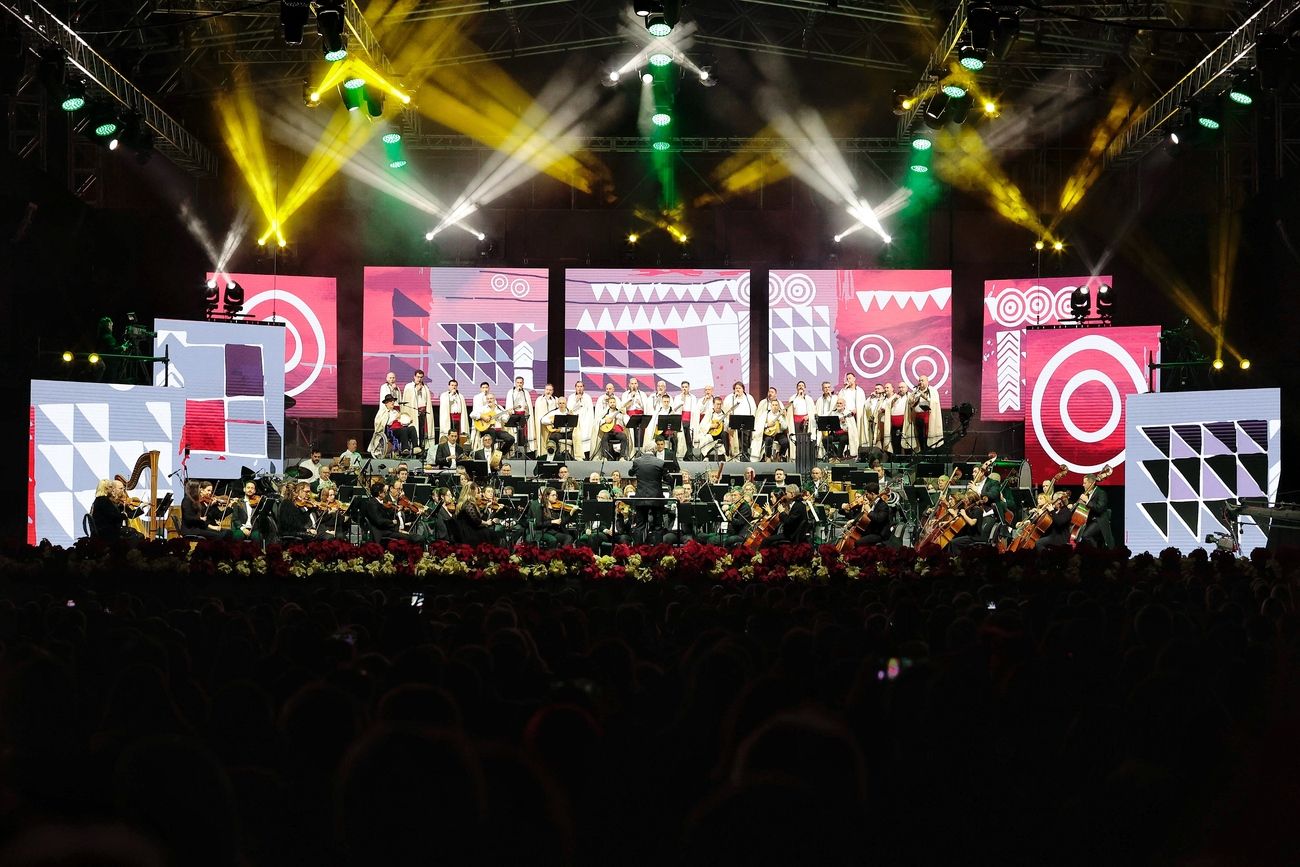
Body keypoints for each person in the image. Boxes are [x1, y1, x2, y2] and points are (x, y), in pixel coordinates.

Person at [1076, 473, 1113, 548]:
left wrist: (1087, 501)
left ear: (1091, 483)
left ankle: (1095, 553)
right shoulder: (1087, 494)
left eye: (1085, 483)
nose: (1083, 485)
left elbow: (1099, 508)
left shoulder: (1101, 493)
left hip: (1099, 520)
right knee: (1078, 537)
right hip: (1089, 520)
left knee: (1085, 536)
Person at [909, 374, 943, 454]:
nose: (920, 382)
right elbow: (910, 403)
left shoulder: (933, 391)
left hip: (928, 416)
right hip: (918, 416)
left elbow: (935, 403)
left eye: (922, 380)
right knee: (920, 435)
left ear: (927, 381)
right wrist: (913, 399)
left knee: (927, 436)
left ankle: (929, 453)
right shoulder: (915, 391)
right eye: (919, 380)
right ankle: (922, 452)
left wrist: (926, 397)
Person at [401, 370, 433, 455]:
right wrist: (416, 390)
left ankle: (422, 449)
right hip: (413, 413)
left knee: (422, 432)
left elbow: (427, 401)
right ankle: (414, 448)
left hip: (423, 413)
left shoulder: (425, 387)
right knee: (415, 431)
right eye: (418, 377)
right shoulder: (409, 386)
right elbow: (407, 399)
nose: (419, 379)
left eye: (421, 377)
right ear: (414, 377)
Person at [723, 382, 757, 460]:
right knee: (732, 434)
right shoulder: (730, 398)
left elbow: (753, 409)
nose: (737, 390)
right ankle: (734, 454)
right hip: (733, 422)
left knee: (744, 434)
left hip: (745, 422)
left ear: (743, 389)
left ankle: (744, 454)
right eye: (736, 388)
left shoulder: (749, 397)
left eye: (739, 388)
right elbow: (726, 410)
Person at [595, 394, 628, 460]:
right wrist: (605, 420)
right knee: (604, 437)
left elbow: (627, 422)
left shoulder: (620, 412)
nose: (612, 404)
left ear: (616, 403)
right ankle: (605, 457)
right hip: (609, 432)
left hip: (618, 433)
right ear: (608, 404)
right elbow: (598, 420)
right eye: (611, 402)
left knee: (624, 437)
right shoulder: (605, 412)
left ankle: (622, 457)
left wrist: (624, 414)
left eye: (613, 402)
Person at [696, 395, 728, 461]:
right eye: (717, 404)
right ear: (713, 404)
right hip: (712, 433)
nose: (719, 406)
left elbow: (728, 425)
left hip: (721, 434)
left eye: (720, 404)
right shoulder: (709, 413)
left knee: (725, 434)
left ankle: (726, 454)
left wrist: (724, 425)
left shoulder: (724, 414)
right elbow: (702, 425)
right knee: (706, 438)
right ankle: (705, 456)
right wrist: (711, 426)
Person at [758, 391, 788, 461]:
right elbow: (760, 425)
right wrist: (767, 425)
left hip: (779, 434)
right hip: (769, 433)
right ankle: (768, 457)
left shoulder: (781, 415)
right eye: (773, 405)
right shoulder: (766, 414)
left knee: (785, 442)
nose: (774, 406)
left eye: (776, 405)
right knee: (768, 440)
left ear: (778, 406)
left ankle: (780, 455)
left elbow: (785, 427)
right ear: (771, 406)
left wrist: (781, 420)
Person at [569, 380, 596, 460]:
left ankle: (586, 457)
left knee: (586, 440)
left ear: (583, 388)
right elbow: (570, 410)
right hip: (576, 421)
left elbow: (590, 411)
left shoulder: (587, 397)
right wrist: (576, 401)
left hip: (586, 421)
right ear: (575, 388)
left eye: (581, 386)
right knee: (577, 438)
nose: (579, 388)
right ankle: (578, 456)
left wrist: (591, 423)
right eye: (578, 386)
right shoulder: (571, 397)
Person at [438, 379, 469, 446]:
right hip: (449, 418)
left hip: (459, 419)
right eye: (452, 385)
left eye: (455, 385)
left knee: (458, 436)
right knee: (450, 436)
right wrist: (452, 394)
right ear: (449, 386)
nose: (454, 387)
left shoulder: (460, 396)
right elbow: (445, 405)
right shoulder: (444, 395)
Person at [534, 383, 561, 457]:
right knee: (543, 440)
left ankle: (553, 455)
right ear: (544, 390)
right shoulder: (540, 399)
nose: (548, 391)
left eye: (550, 390)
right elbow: (539, 412)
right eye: (547, 390)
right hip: (543, 424)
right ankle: (543, 455)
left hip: (553, 424)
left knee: (552, 440)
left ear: (553, 391)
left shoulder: (555, 399)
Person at [674, 381, 696, 459]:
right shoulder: (677, 397)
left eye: (686, 387)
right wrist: (682, 400)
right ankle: (680, 456)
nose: (684, 388)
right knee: (681, 440)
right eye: (683, 387)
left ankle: (689, 456)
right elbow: (675, 409)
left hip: (690, 420)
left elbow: (694, 410)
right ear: (681, 388)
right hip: (681, 421)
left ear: (689, 388)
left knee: (689, 440)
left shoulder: (693, 397)